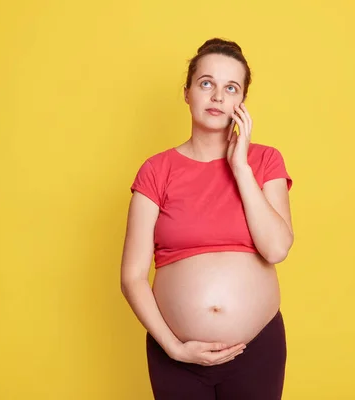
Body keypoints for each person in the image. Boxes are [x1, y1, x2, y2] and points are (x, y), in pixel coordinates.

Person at [120, 38, 294, 400]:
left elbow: (276, 249)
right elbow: (132, 276)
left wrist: (240, 168)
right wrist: (173, 347)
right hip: (175, 354)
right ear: (187, 92)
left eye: (231, 88)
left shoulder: (264, 162)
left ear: (241, 101)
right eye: (206, 83)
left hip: (256, 348)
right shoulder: (157, 170)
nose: (217, 97)